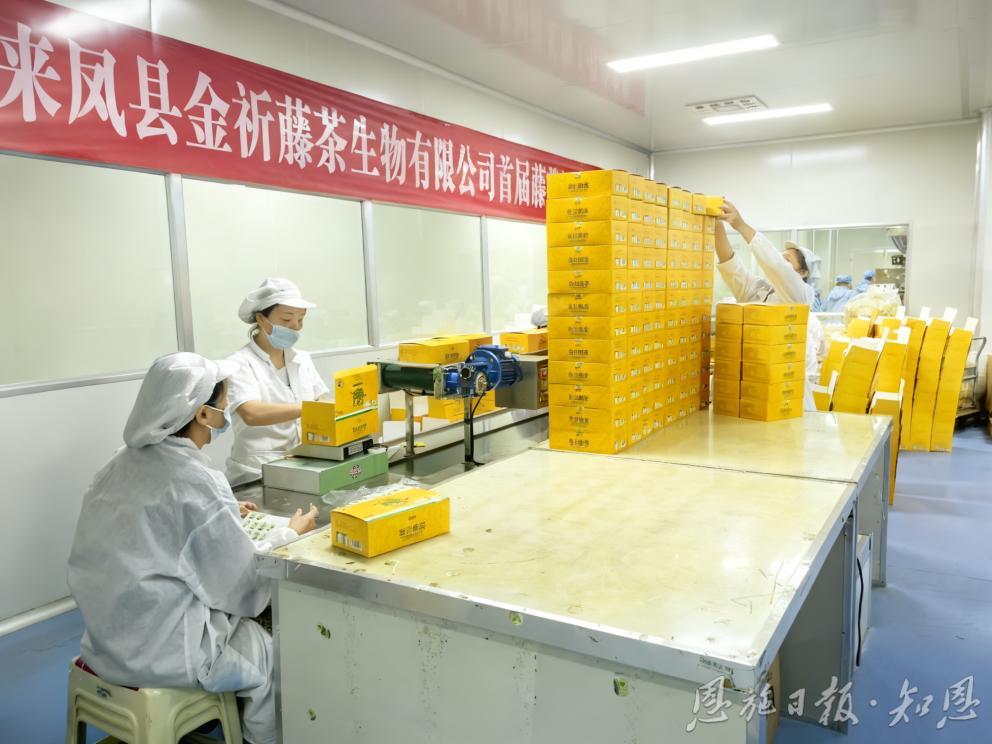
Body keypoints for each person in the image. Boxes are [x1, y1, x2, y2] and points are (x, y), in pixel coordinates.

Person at [68, 352, 318, 744]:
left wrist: (223, 509)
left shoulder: (118, 464)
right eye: (223, 405)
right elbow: (240, 588)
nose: (226, 413)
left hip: (106, 639)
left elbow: (152, 522)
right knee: (268, 654)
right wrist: (287, 534)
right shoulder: (195, 480)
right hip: (165, 652)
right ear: (203, 414)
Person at [715, 202, 827, 409]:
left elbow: (775, 265)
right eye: (781, 257)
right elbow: (731, 266)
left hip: (788, 398)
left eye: (788, 260)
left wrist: (740, 225)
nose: (781, 262)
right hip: (757, 390)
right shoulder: (761, 292)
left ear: (803, 273)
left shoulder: (798, 296)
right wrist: (716, 225)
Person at [226, 278, 330, 486]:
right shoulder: (239, 363)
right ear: (261, 319)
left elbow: (324, 400)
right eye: (286, 319)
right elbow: (252, 413)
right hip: (256, 472)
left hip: (303, 464)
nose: (295, 327)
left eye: (300, 320)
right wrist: (310, 409)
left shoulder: (302, 359)